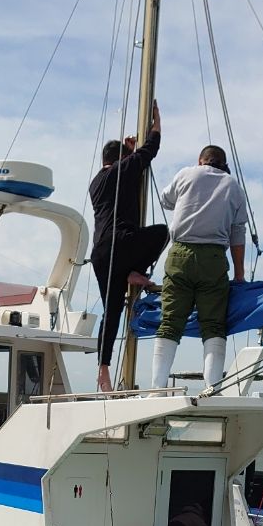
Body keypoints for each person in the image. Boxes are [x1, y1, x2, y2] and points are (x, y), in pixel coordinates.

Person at [149, 145, 247, 391]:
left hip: (180, 253)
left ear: (201, 160)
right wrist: (239, 274)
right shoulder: (233, 186)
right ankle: (212, 388)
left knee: (170, 322)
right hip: (214, 258)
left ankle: (157, 389)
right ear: (224, 164)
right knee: (213, 324)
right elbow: (238, 234)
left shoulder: (186, 174)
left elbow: (165, 200)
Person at [89, 100, 168, 393]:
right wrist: (156, 125)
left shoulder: (97, 181)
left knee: (112, 310)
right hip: (123, 243)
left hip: (100, 253)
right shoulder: (124, 169)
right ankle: (135, 271)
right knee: (162, 232)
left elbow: (127, 165)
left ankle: (103, 368)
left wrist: (127, 153)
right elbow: (151, 151)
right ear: (122, 158)